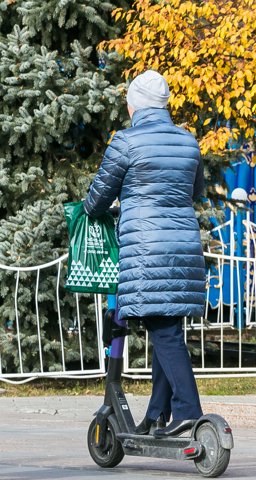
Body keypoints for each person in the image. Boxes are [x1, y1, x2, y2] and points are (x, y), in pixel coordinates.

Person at [84, 70, 205, 438]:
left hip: (146, 251)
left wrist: (121, 202)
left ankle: (189, 411)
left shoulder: (126, 141)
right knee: (168, 330)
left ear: (134, 103)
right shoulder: (188, 141)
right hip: (183, 245)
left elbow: (96, 201)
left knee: (164, 332)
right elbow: (195, 192)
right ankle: (155, 414)